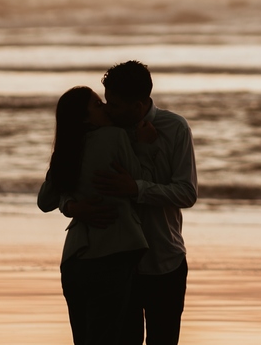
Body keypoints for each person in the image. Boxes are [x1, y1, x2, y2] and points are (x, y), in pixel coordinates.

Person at [94, 61, 198, 345]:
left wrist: (136, 189)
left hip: (164, 259)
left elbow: (186, 193)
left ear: (138, 105)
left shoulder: (174, 128)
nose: (108, 109)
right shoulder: (106, 130)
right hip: (119, 261)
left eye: (114, 104)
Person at [38, 86, 150, 345]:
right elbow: (140, 181)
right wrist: (143, 148)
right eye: (98, 105)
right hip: (113, 255)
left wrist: (70, 205)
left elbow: (45, 201)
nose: (106, 109)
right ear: (85, 117)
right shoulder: (115, 136)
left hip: (74, 260)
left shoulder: (65, 151)